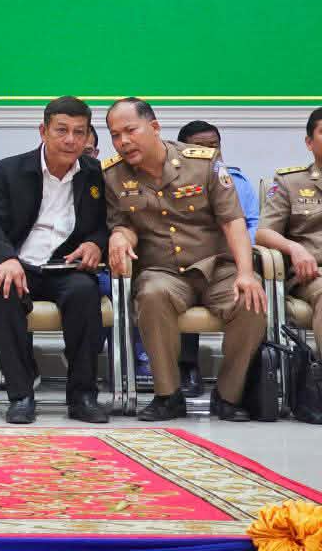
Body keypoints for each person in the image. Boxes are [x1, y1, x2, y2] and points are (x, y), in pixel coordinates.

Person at [103, 98, 267, 421]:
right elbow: (122, 223)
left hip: (216, 267)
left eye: (130, 131)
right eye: (115, 135)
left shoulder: (202, 163)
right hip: (163, 271)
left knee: (251, 299)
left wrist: (246, 273)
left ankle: (228, 395)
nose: (123, 141)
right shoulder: (113, 175)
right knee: (151, 295)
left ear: (154, 127)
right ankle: (168, 395)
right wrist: (120, 236)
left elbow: (233, 220)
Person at [0, 97, 109, 424]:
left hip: (66, 267)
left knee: (85, 293)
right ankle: (21, 395)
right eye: (61, 130)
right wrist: (6, 258)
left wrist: (96, 243)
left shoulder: (96, 174)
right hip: (18, 264)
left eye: (79, 132)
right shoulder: (8, 170)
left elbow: (108, 224)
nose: (70, 140)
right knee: (2, 290)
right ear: (43, 131)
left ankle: (83, 396)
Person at [171, 120, 260, 397]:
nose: (210, 153)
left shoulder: (235, 181)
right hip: (187, 262)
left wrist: (242, 250)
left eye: (214, 146)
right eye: (201, 147)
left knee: (250, 293)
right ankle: (186, 367)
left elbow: (253, 224)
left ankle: (236, 386)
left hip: (228, 261)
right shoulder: (171, 181)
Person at [255, 107, 322, 375]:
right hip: (312, 274)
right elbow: (264, 233)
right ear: (309, 142)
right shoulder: (290, 182)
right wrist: (294, 248)